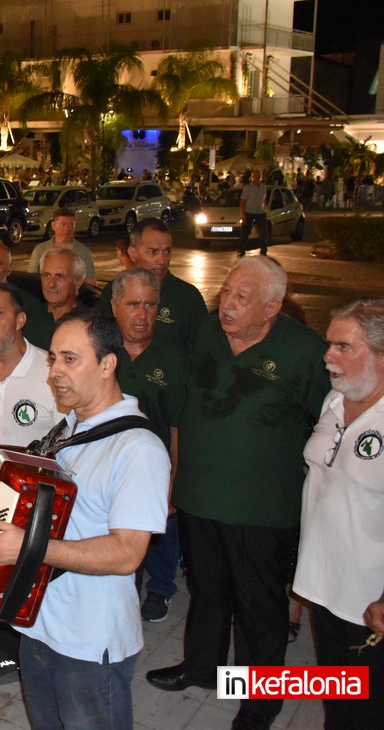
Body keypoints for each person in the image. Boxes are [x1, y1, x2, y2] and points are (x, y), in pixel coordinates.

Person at [149, 257, 327, 730]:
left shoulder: (304, 351)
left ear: (271, 308)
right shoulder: (206, 332)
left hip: (261, 508)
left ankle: (259, 702)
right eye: (226, 292)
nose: (227, 304)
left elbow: (333, 421)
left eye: (241, 298)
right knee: (207, 591)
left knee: (258, 606)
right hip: (200, 495)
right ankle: (201, 667)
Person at [0, 313, 169, 730]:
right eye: (52, 359)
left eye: (70, 359)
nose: (54, 372)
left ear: (107, 364)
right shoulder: (69, 428)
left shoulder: (138, 448)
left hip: (90, 642)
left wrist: (28, 547)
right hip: (38, 625)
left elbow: (127, 553)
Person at [0, 282, 62, 691]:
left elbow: (68, 442)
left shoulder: (50, 372)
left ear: (21, 320)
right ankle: (8, 654)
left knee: (31, 590)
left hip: (31, 512)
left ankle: (37, 659)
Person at [293, 298, 384, 730]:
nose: (327, 356)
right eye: (329, 344)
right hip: (324, 585)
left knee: (369, 709)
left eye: (343, 347)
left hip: (370, 601)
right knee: (338, 698)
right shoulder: (335, 399)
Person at [109, 268, 186, 623]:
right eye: (133, 304)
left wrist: (172, 484)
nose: (142, 314)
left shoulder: (174, 358)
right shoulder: (102, 350)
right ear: (115, 306)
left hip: (153, 470)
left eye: (150, 305)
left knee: (158, 533)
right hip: (108, 467)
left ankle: (161, 586)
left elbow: (177, 427)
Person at [98, 218, 207, 352]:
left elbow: (202, 351)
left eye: (167, 251)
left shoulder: (188, 298)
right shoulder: (113, 291)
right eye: (153, 252)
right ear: (133, 253)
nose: (162, 261)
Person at [23, 248, 88, 350]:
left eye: (60, 276)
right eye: (47, 275)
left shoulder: (89, 325)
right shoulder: (26, 319)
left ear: (78, 283)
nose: (52, 284)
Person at [27, 208, 97, 285]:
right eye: (63, 224)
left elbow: (91, 283)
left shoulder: (84, 252)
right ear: (53, 225)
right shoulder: (40, 250)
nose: (67, 228)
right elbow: (31, 281)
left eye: (71, 224)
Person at [238, 169, 269, 257]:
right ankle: (241, 250)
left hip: (260, 212)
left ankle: (263, 250)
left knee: (263, 232)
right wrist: (243, 215)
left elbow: (264, 199)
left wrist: (265, 210)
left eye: (258, 175)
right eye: (255, 175)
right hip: (249, 212)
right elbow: (242, 201)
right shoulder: (248, 188)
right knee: (245, 232)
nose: (257, 177)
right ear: (252, 177)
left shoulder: (263, 187)